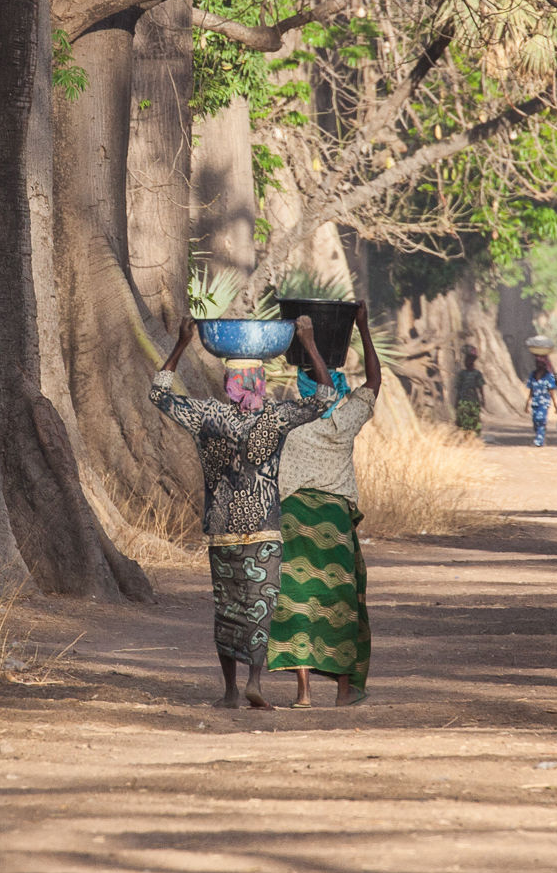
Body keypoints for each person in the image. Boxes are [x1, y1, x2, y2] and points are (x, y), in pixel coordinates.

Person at [152, 314, 334, 707]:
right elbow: (325, 397)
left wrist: (183, 344)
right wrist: (309, 341)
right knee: (260, 605)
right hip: (264, 531)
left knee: (227, 608)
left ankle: (231, 690)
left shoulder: (208, 417)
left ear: (227, 384)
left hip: (221, 530)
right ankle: (255, 680)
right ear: (261, 383)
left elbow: (160, 394)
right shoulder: (275, 417)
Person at [268, 303, 384, 706]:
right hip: (333, 523)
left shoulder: (289, 418)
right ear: (337, 385)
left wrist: (302, 342)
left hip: (294, 518)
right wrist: (363, 330)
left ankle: (302, 692)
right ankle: (344, 689)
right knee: (339, 604)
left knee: (296, 601)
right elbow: (374, 379)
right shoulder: (347, 418)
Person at [525, 350, 557, 448]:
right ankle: (540, 436)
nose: (538, 365)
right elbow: (531, 390)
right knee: (535, 421)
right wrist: (527, 403)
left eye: (540, 363)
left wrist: (556, 405)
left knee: (541, 420)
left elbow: (551, 391)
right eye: (537, 363)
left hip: (544, 403)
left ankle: (539, 441)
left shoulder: (549, 376)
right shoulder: (532, 375)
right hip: (535, 403)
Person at [451, 346, 485, 436]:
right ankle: (465, 436)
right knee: (463, 418)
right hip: (463, 399)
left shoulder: (477, 374)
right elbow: (458, 388)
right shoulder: (462, 374)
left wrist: (483, 399)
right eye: (466, 361)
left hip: (473, 400)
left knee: (474, 418)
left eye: (469, 360)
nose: (467, 362)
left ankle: (474, 436)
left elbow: (481, 387)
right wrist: (457, 401)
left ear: (472, 362)